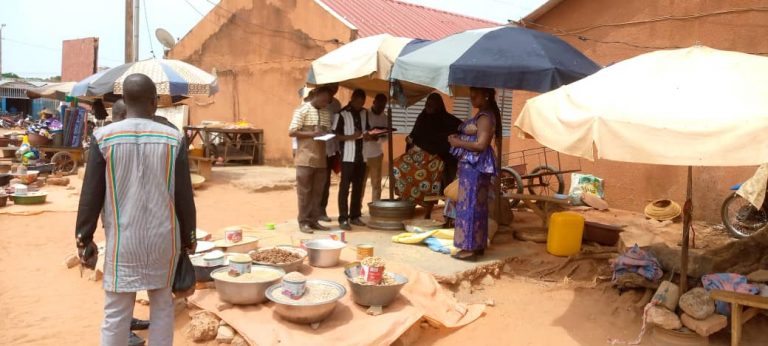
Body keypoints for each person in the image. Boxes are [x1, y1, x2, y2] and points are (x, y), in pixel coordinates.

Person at [75, 74, 197, 345]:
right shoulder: (173, 139)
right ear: (154, 102)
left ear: (124, 102)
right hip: (163, 240)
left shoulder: (103, 138)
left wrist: (84, 236)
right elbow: (185, 198)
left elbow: (90, 196)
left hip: (122, 242)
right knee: (163, 307)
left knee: (116, 313)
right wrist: (189, 238)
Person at [109, 98, 153, 346]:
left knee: (130, 274)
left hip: (132, 219)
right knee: (123, 276)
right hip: (119, 220)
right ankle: (123, 332)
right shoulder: (110, 140)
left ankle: (128, 320)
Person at [448, 87, 501, 260]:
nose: (471, 98)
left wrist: (457, 142)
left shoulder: (485, 117)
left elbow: (480, 145)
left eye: (474, 95)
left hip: (475, 166)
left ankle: (469, 249)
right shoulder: (484, 114)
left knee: (469, 206)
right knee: (476, 207)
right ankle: (476, 245)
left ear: (485, 96)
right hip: (474, 166)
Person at [394, 93, 462, 214]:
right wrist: (410, 139)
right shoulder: (422, 117)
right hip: (419, 156)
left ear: (438, 105)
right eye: (428, 104)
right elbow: (415, 134)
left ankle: (432, 210)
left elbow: (459, 128)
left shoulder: (446, 119)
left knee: (435, 185)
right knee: (398, 165)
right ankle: (411, 199)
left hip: (438, 158)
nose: (429, 107)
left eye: (432, 105)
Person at [289, 87, 333, 234]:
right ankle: (303, 222)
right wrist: (312, 133)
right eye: (323, 100)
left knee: (318, 192)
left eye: (327, 101)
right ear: (315, 95)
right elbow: (292, 131)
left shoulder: (326, 112)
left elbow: (327, 130)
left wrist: (326, 133)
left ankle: (314, 220)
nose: (326, 103)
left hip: (321, 158)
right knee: (304, 191)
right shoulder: (302, 110)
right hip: (305, 157)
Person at [335, 89, 369, 230]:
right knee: (344, 187)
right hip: (348, 156)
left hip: (362, 155)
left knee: (358, 186)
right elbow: (335, 135)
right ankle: (343, 218)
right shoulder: (341, 114)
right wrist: (351, 137)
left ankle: (355, 216)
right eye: (358, 102)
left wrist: (368, 134)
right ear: (352, 98)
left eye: (362, 102)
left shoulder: (364, 113)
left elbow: (366, 129)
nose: (360, 105)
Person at [319, 83, 342, 222]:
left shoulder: (337, 104)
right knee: (316, 183)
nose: (334, 90)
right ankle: (312, 212)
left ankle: (322, 210)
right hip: (316, 149)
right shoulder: (310, 105)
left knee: (326, 182)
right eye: (332, 87)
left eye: (336, 87)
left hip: (330, 149)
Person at [363, 93, 388, 202]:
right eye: (379, 105)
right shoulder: (365, 114)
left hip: (376, 154)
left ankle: (375, 206)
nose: (381, 108)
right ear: (374, 102)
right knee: (361, 183)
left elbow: (386, 137)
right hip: (363, 154)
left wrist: (376, 139)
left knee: (376, 183)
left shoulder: (385, 118)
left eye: (383, 106)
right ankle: (357, 209)